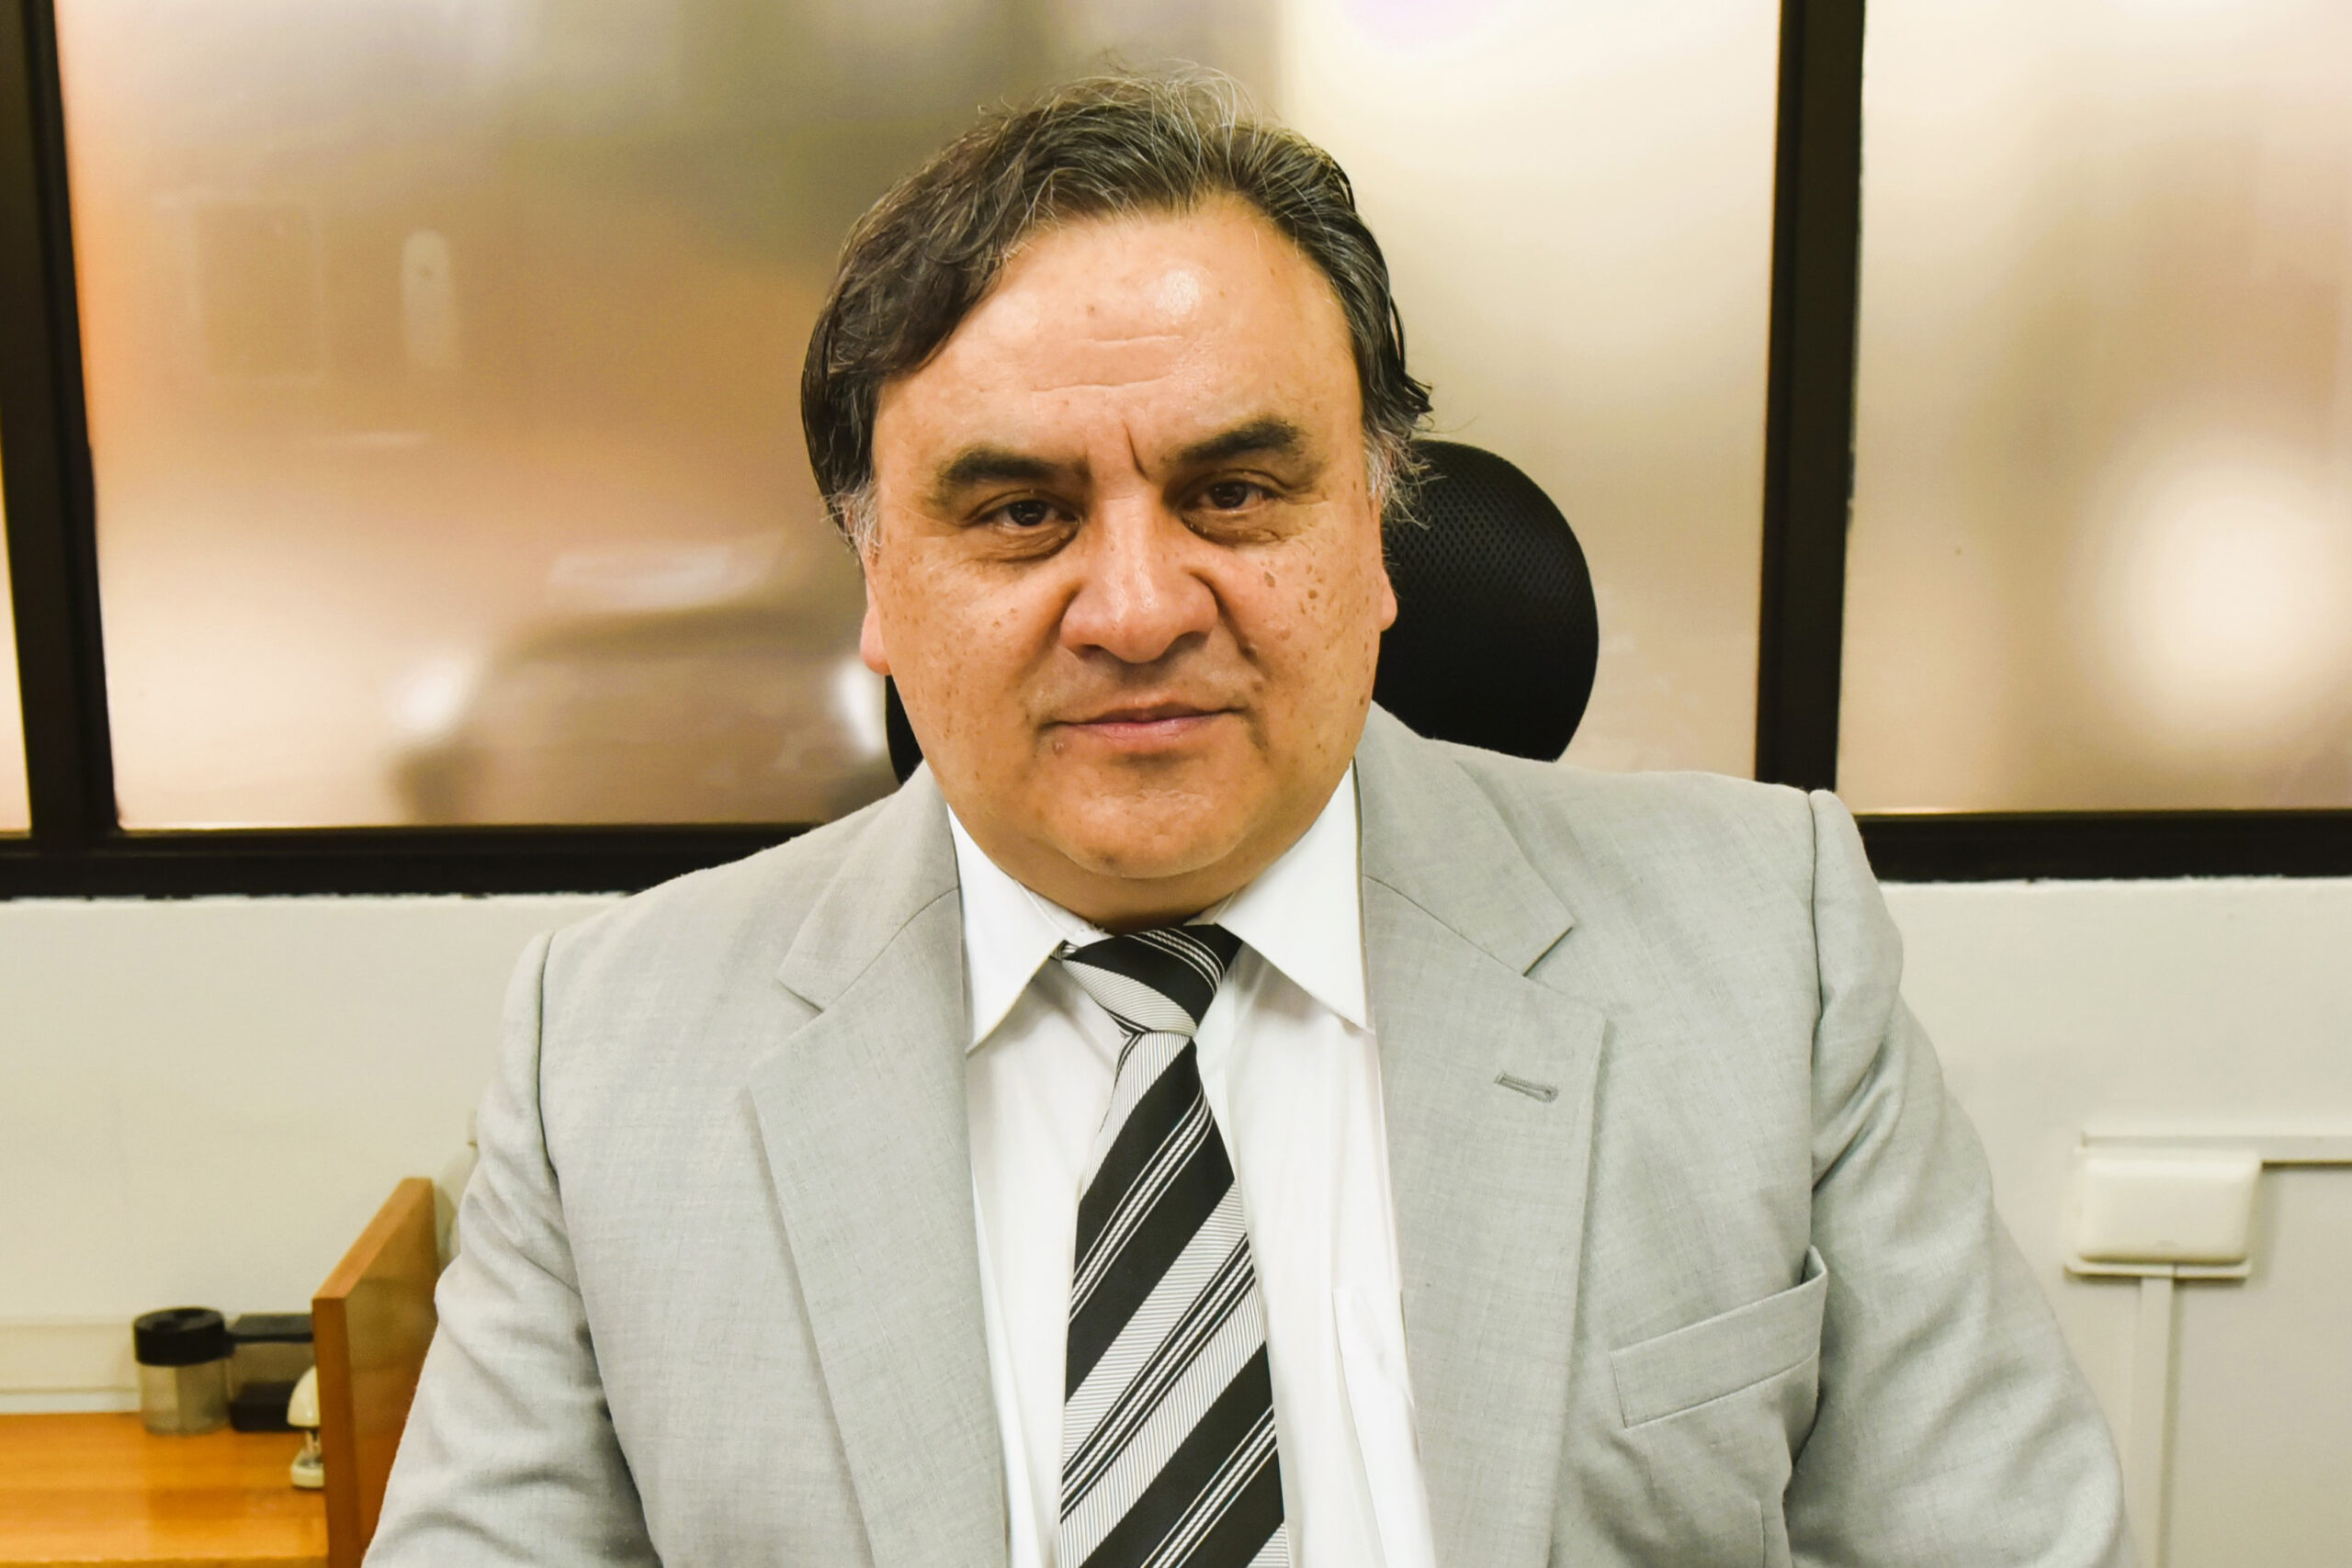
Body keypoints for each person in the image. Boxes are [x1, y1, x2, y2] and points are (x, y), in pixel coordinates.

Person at [369, 74, 2131, 1568]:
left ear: (1375, 534)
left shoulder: (1760, 947)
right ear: (879, 585)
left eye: (1233, 490)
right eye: (1019, 513)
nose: (1139, 608)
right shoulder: (611, 1052)